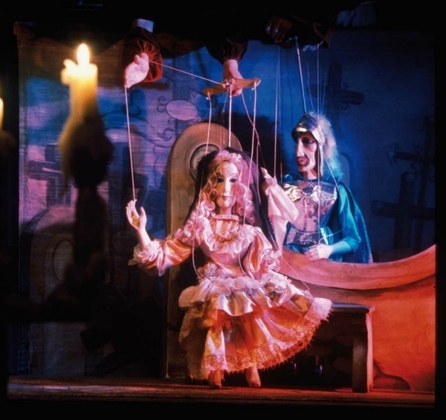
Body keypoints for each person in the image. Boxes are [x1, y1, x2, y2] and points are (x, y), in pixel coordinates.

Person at [126, 147, 332, 388]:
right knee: (217, 305)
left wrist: (269, 282)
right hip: (214, 282)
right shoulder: (201, 226)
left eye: (233, 180)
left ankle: (251, 366)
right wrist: (141, 232)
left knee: (247, 302)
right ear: (210, 186)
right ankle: (215, 368)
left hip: (241, 280)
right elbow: (168, 253)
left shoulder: (249, 231)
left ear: (241, 187)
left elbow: (263, 264)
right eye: (219, 179)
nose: (225, 188)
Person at [122, 3, 365, 94]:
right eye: (284, 29)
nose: (277, 33)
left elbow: (229, 24)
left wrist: (231, 68)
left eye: (282, 38)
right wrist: (142, 51)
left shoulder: (247, 18)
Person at [263, 112, 373, 263]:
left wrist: (328, 250)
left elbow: (353, 240)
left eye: (307, 142)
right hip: (288, 260)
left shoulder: (337, 190)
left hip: (322, 265)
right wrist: (269, 191)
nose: (298, 152)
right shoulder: (285, 185)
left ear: (323, 146)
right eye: (297, 143)